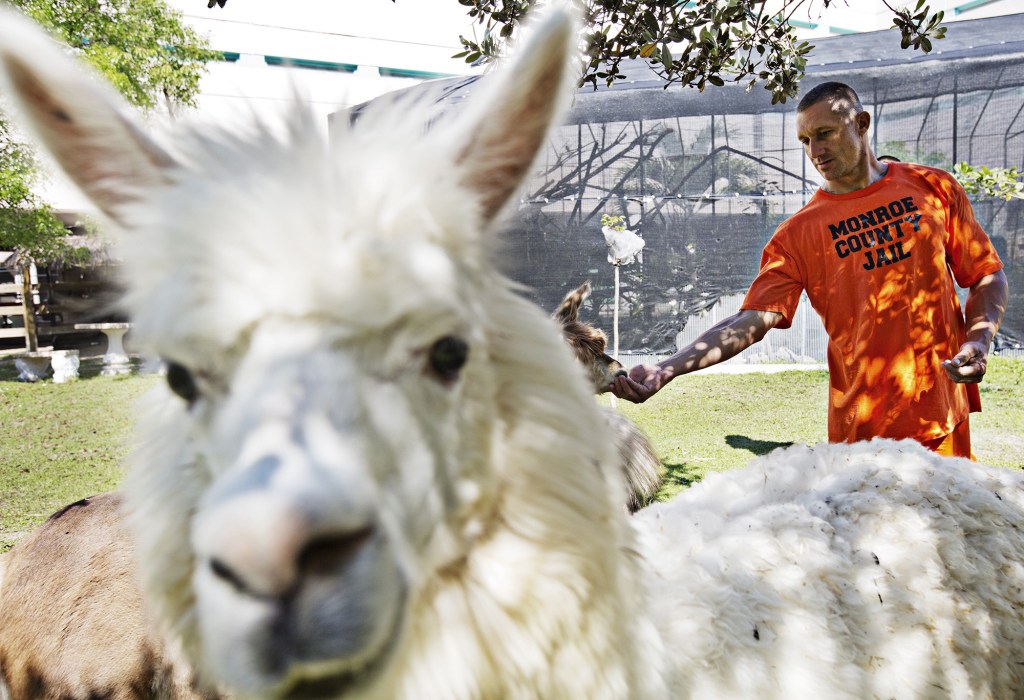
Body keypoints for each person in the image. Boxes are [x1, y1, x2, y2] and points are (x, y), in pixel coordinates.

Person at [612, 81, 1008, 459]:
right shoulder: (797, 234)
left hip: (941, 407)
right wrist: (667, 368)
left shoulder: (933, 187)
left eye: (824, 133)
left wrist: (978, 340)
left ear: (862, 124)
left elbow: (986, 275)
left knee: (949, 507)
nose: (815, 150)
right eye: (805, 140)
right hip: (864, 428)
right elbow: (751, 320)